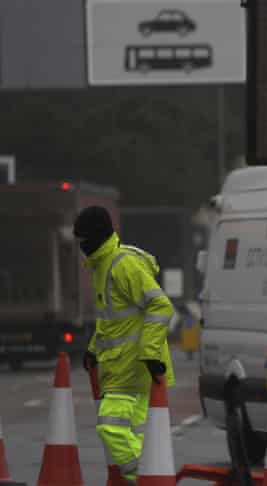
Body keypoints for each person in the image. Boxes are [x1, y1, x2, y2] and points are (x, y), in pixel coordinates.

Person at [75, 206, 175, 485]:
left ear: (95, 237)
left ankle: (145, 480)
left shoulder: (122, 265)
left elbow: (161, 305)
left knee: (111, 427)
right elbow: (112, 321)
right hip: (123, 368)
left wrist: (151, 352)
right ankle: (151, 476)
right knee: (139, 434)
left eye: (83, 240)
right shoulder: (102, 266)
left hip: (135, 367)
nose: (80, 247)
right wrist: (94, 348)